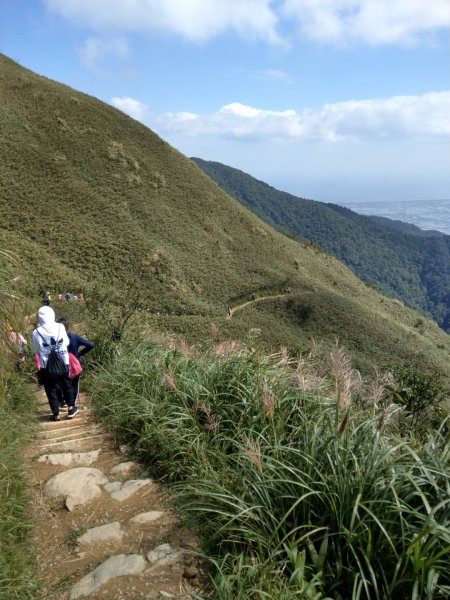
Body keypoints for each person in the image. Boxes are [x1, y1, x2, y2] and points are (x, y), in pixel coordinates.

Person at [31, 306, 77, 421]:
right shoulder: (60, 327)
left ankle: (56, 414)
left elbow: (35, 350)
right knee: (67, 384)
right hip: (63, 361)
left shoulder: (36, 332)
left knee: (50, 388)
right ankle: (71, 408)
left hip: (46, 365)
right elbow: (66, 342)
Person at [57, 318, 94, 405]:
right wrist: (79, 354)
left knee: (63, 383)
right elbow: (90, 345)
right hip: (74, 364)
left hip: (61, 365)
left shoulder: (55, 339)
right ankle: (72, 403)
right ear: (67, 327)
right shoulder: (74, 337)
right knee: (74, 383)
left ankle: (65, 400)